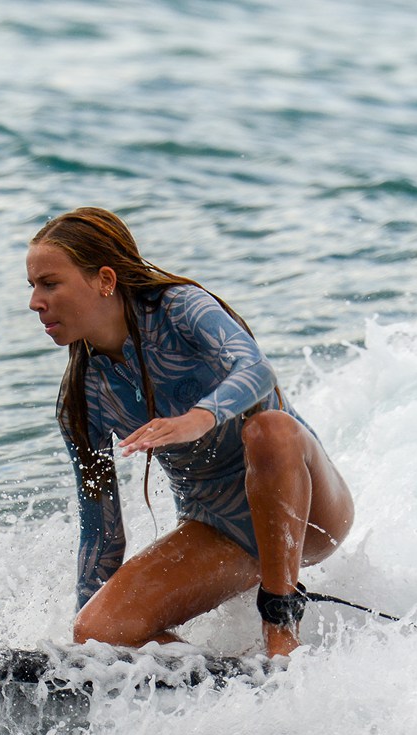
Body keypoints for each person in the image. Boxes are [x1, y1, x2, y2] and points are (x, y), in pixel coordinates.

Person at [27, 207, 354, 658]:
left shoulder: (179, 309)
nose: (35, 302)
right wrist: (87, 650)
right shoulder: (83, 400)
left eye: (50, 283)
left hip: (307, 510)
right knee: (98, 629)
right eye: (33, 287)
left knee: (270, 429)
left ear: (104, 280)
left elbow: (255, 369)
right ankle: (222, 682)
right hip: (220, 531)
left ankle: (281, 633)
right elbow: (102, 534)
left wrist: (197, 418)